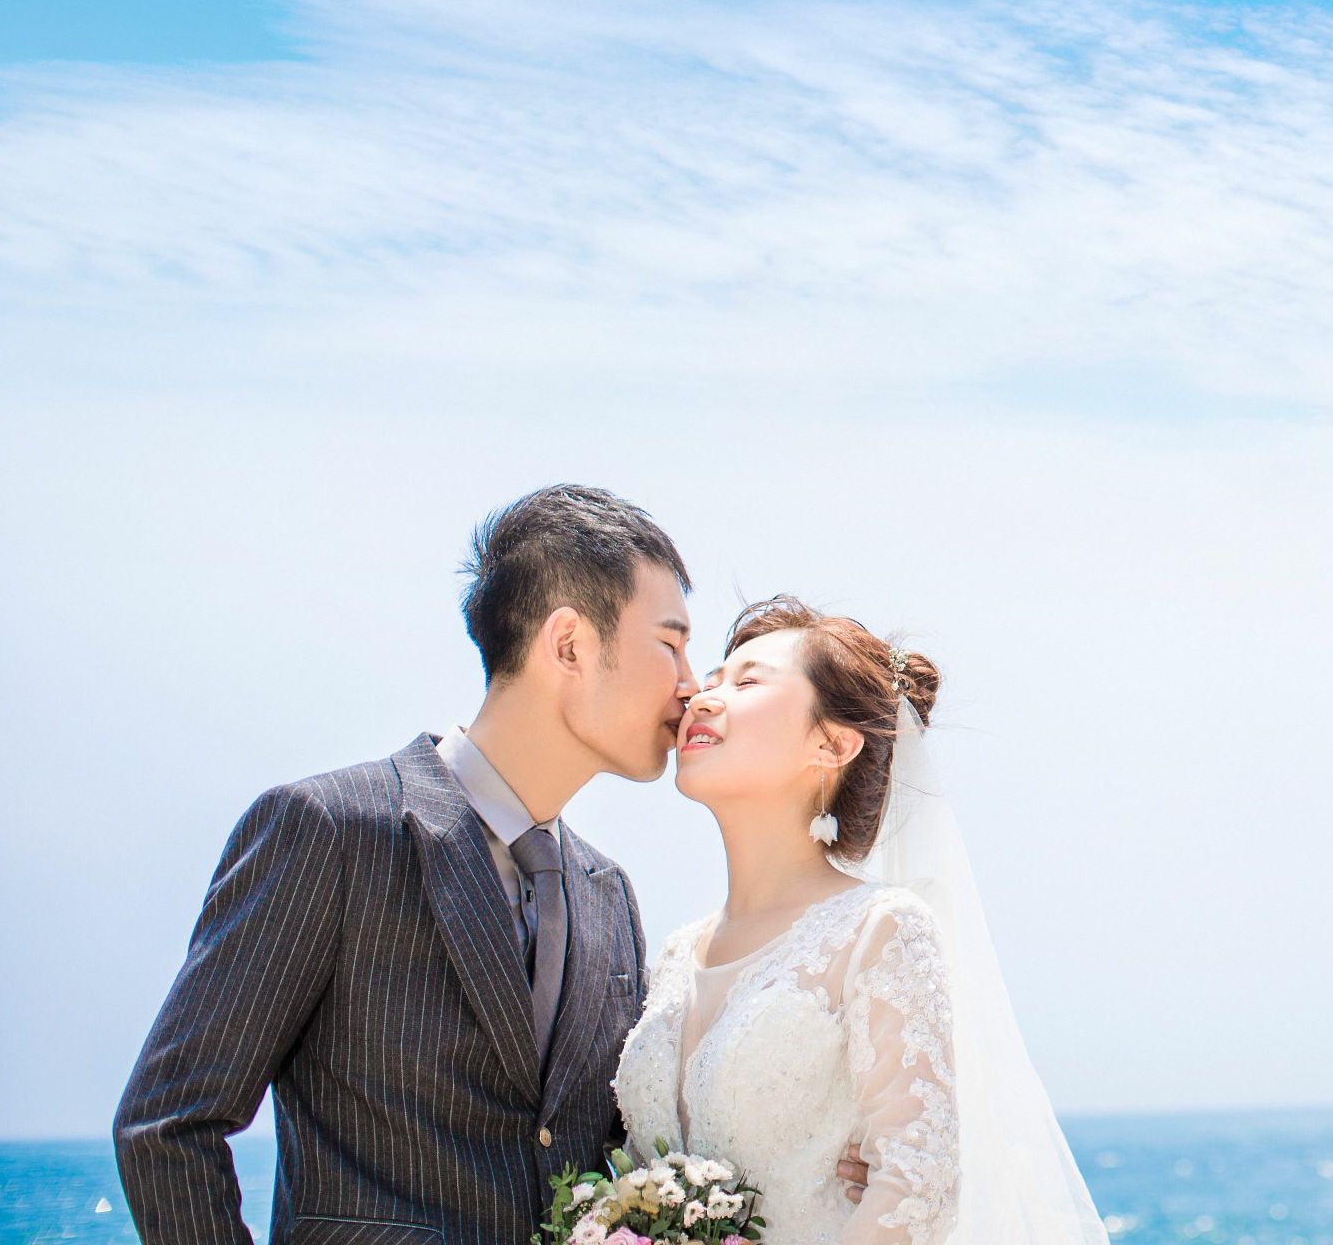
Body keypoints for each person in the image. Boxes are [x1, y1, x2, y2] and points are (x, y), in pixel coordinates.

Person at [115, 485, 701, 1245]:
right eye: (671, 644)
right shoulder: (330, 831)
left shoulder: (608, 894)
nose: (692, 683)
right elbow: (168, 1125)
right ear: (569, 646)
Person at [612, 597, 1107, 1245]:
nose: (702, 698)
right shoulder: (676, 955)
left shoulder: (879, 931)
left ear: (832, 744)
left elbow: (916, 1189)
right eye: (711, 680)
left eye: (747, 682)